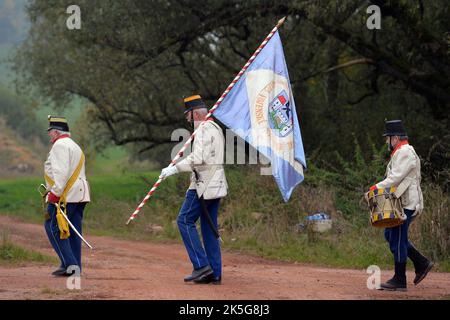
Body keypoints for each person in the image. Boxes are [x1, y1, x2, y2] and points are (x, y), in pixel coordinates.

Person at [159, 95, 228, 284]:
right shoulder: (214, 128)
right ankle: (214, 272)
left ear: (195, 113)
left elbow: (198, 158)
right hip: (216, 184)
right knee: (209, 229)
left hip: (202, 186)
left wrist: (174, 168)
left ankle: (201, 266)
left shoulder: (204, 129)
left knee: (184, 220)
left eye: (188, 115)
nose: (187, 119)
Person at [369, 120, 433, 291]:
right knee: (391, 235)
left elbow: (395, 177)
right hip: (401, 201)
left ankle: (400, 279)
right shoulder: (401, 151)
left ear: (395, 138)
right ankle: (421, 262)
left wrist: (376, 187)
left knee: (397, 238)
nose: (386, 141)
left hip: (406, 203)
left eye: (388, 138)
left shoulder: (405, 152)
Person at [44, 115, 90, 276]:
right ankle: (73, 265)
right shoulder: (73, 145)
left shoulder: (60, 146)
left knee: (54, 227)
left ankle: (70, 265)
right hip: (80, 194)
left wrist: (55, 193)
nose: (49, 134)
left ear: (56, 132)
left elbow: (61, 173)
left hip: (65, 195)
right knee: (74, 229)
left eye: (50, 131)